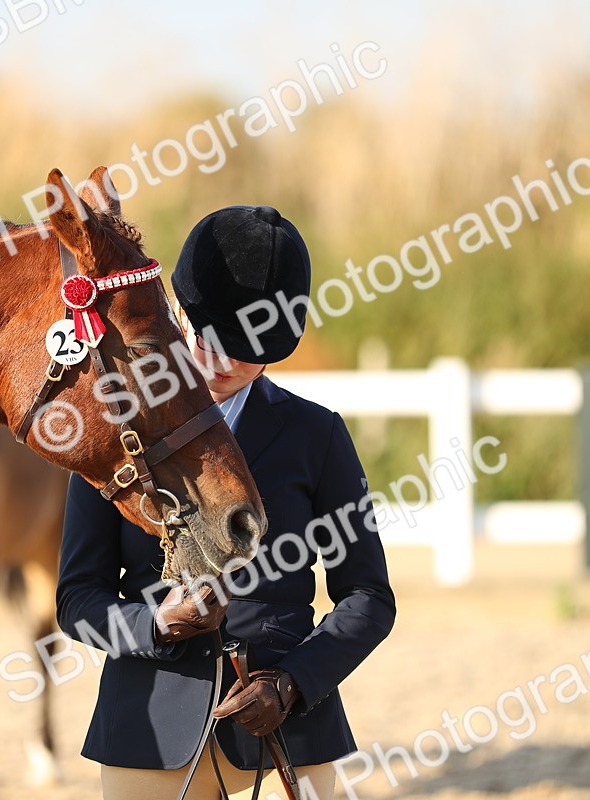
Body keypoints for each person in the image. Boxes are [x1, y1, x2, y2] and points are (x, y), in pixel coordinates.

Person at [56, 206, 396, 799]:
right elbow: (77, 598)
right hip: (150, 723)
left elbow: (369, 597)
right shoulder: (117, 430)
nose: (227, 363)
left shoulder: (318, 436)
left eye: (251, 350)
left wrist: (292, 683)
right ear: (180, 314)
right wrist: (155, 623)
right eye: (212, 340)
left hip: (290, 726)